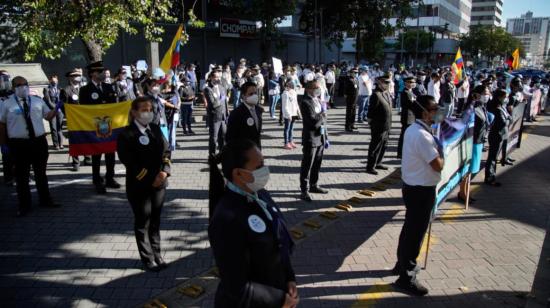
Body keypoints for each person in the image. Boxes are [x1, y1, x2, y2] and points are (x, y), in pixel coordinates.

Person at [208, 139, 298, 308]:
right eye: (258, 167)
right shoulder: (226, 218)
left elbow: (279, 240)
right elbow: (235, 286)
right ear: (238, 174)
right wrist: (279, 300)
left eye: (264, 164)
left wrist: (289, 278)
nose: (264, 171)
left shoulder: (261, 195)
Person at [393, 94, 444, 296]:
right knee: (415, 234)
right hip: (420, 190)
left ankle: (401, 263)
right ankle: (407, 277)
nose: (437, 113)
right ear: (424, 112)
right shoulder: (422, 135)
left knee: (410, 229)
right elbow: (438, 165)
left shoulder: (415, 129)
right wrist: (442, 153)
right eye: (434, 109)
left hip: (415, 187)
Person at [117, 96, 171, 272]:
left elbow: (166, 151)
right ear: (134, 112)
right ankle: (147, 258)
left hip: (160, 184)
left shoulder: (155, 129)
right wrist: (151, 179)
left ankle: (157, 253)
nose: (148, 113)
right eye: (144, 110)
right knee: (143, 221)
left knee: (155, 220)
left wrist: (164, 171)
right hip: (139, 187)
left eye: (150, 110)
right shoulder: (126, 134)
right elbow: (130, 163)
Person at [0, 76, 62, 217]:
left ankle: (45, 200)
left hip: (38, 142)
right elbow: (2, 124)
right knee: (22, 176)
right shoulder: (7, 104)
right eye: (19, 85)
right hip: (18, 144)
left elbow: (48, 116)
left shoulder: (37, 101)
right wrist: (3, 143)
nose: (23, 87)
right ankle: (24, 205)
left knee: (41, 173)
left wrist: (57, 107)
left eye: (25, 84)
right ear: (13, 87)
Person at [79, 61, 121, 193]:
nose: (103, 74)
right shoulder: (85, 90)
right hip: (94, 128)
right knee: (96, 155)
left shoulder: (109, 87)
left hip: (109, 127)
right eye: (100, 72)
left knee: (110, 153)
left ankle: (110, 178)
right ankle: (97, 180)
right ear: (92, 74)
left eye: (103, 72)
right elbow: (84, 110)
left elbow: (114, 106)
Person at [299, 80, 329, 202]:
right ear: (309, 89)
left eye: (319, 87)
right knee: (307, 164)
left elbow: (321, 121)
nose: (319, 89)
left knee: (317, 163)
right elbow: (312, 121)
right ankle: (304, 190)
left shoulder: (317, 100)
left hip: (320, 136)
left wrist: (326, 135)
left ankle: (313, 185)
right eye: (316, 87)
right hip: (311, 137)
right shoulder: (305, 102)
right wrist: (322, 115)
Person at [366, 75, 393, 175]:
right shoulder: (376, 95)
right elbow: (371, 111)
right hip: (378, 125)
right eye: (385, 83)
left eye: (388, 83)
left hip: (387, 124)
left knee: (384, 145)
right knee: (375, 146)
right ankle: (370, 166)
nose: (387, 84)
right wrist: (371, 123)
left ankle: (379, 162)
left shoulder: (386, 93)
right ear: (380, 83)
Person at [485, 89, 510, 186]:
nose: (506, 99)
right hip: (496, 135)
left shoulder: (501, 106)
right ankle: (489, 177)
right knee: (492, 158)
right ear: (499, 97)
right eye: (505, 97)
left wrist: (508, 119)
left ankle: (492, 176)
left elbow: (508, 117)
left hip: (501, 134)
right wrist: (508, 119)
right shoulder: (496, 108)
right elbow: (503, 122)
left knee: (494, 157)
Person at [226, 81, 263, 149]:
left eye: (255, 93)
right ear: (243, 96)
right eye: (251, 94)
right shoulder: (236, 114)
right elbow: (230, 138)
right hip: (242, 153)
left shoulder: (259, 110)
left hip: (256, 151)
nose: (254, 96)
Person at [205, 68, 229, 155]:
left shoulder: (222, 87)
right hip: (214, 117)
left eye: (219, 77)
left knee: (223, 136)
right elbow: (213, 104)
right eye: (215, 77)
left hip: (223, 116)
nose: (217, 79)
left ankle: (222, 154)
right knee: (213, 138)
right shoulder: (208, 89)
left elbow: (225, 102)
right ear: (211, 77)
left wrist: (227, 112)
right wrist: (222, 98)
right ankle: (212, 155)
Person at [43, 74, 64, 150]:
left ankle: (61, 143)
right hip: (51, 111)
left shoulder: (60, 89)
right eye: (52, 81)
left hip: (60, 111)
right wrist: (56, 108)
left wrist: (59, 108)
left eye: (55, 81)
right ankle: (56, 144)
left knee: (59, 127)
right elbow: (48, 101)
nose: (54, 82)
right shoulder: (46, 89)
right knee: (53, 128)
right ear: (50, 81)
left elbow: (62, 100)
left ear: (57, 81)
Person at [397, 76, 417, 158]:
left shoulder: (410, 92)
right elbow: (411, 104)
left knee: (407, 136)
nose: (413, 84)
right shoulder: (405, 92)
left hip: (411, 117)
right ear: (406, 83)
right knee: (404, 136)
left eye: (413, 82)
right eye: (411, 82)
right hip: (407, 117)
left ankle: (404, 152)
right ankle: (400, 153)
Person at [0, 71, 14, 185]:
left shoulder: (13, 94)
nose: (5, 81)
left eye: (7, 78)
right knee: (7, 156)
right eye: (3, 78)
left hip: (15, 128)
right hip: (3, 129)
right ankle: (8, 177)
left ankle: (22, 175)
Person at [281, 81, 301, 150]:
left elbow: (296, 102)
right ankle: (286, 143)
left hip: (294, 112)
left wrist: (298, 111)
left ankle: (290, 141)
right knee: (287, 128)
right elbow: (285, 105)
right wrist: (288, 114)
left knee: (291, 128)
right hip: (288, 113)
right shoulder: (285, 94)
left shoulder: (294, 93)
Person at [344, 68, 359, 132]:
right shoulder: (349, 80)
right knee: (349, 113)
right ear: (351, 73)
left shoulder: (355, 79)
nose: (356, 74)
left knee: (354, 113)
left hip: (355, 98)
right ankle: (347, 126)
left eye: (356, 73)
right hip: (350, 98)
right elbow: (345, 89)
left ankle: (352, 124)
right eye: (354, 73)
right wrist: (346, 95)